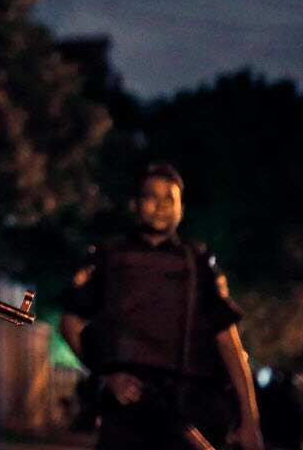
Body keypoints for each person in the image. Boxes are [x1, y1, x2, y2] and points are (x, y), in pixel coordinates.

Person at [59, 162, 263, 450]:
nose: (160, 206)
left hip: (184, 408)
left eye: (170, 198)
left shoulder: (198, 263)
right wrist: (106, 376)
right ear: (135, 203)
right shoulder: (110, 256)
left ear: (181, 207)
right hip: (125, 410)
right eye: (151, 197)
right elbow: (70, 323)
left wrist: (250, 419)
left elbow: (228, 341)